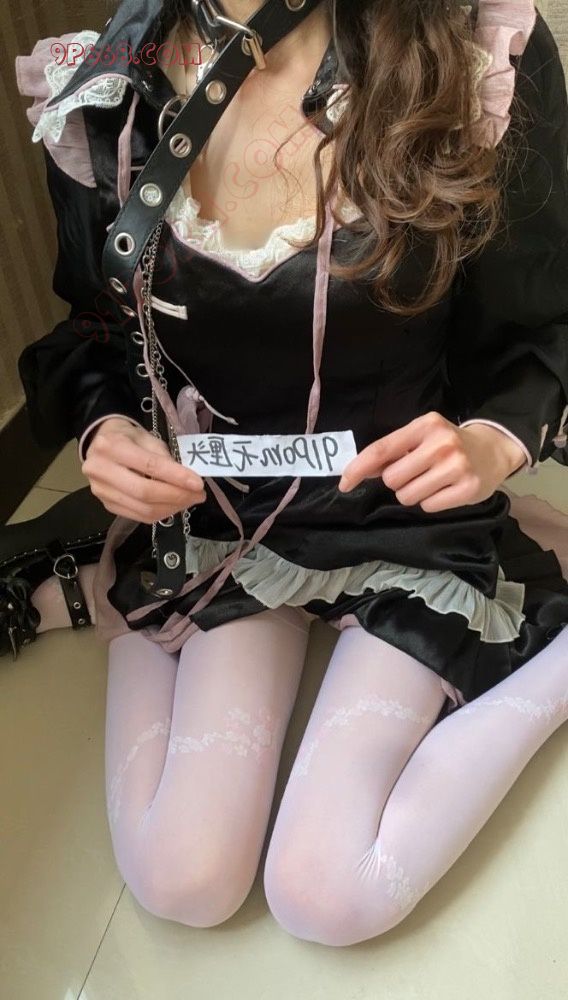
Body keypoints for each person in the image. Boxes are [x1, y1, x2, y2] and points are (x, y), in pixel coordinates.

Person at [12, 0, 568, 945]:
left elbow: (542, 317)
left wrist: (490, 439)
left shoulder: (477, 53)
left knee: (327, 892)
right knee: (182, 878)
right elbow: (96, 324)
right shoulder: (105, 86)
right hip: (223, 515)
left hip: (400, 515)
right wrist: (106, 428)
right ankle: (110, 584)